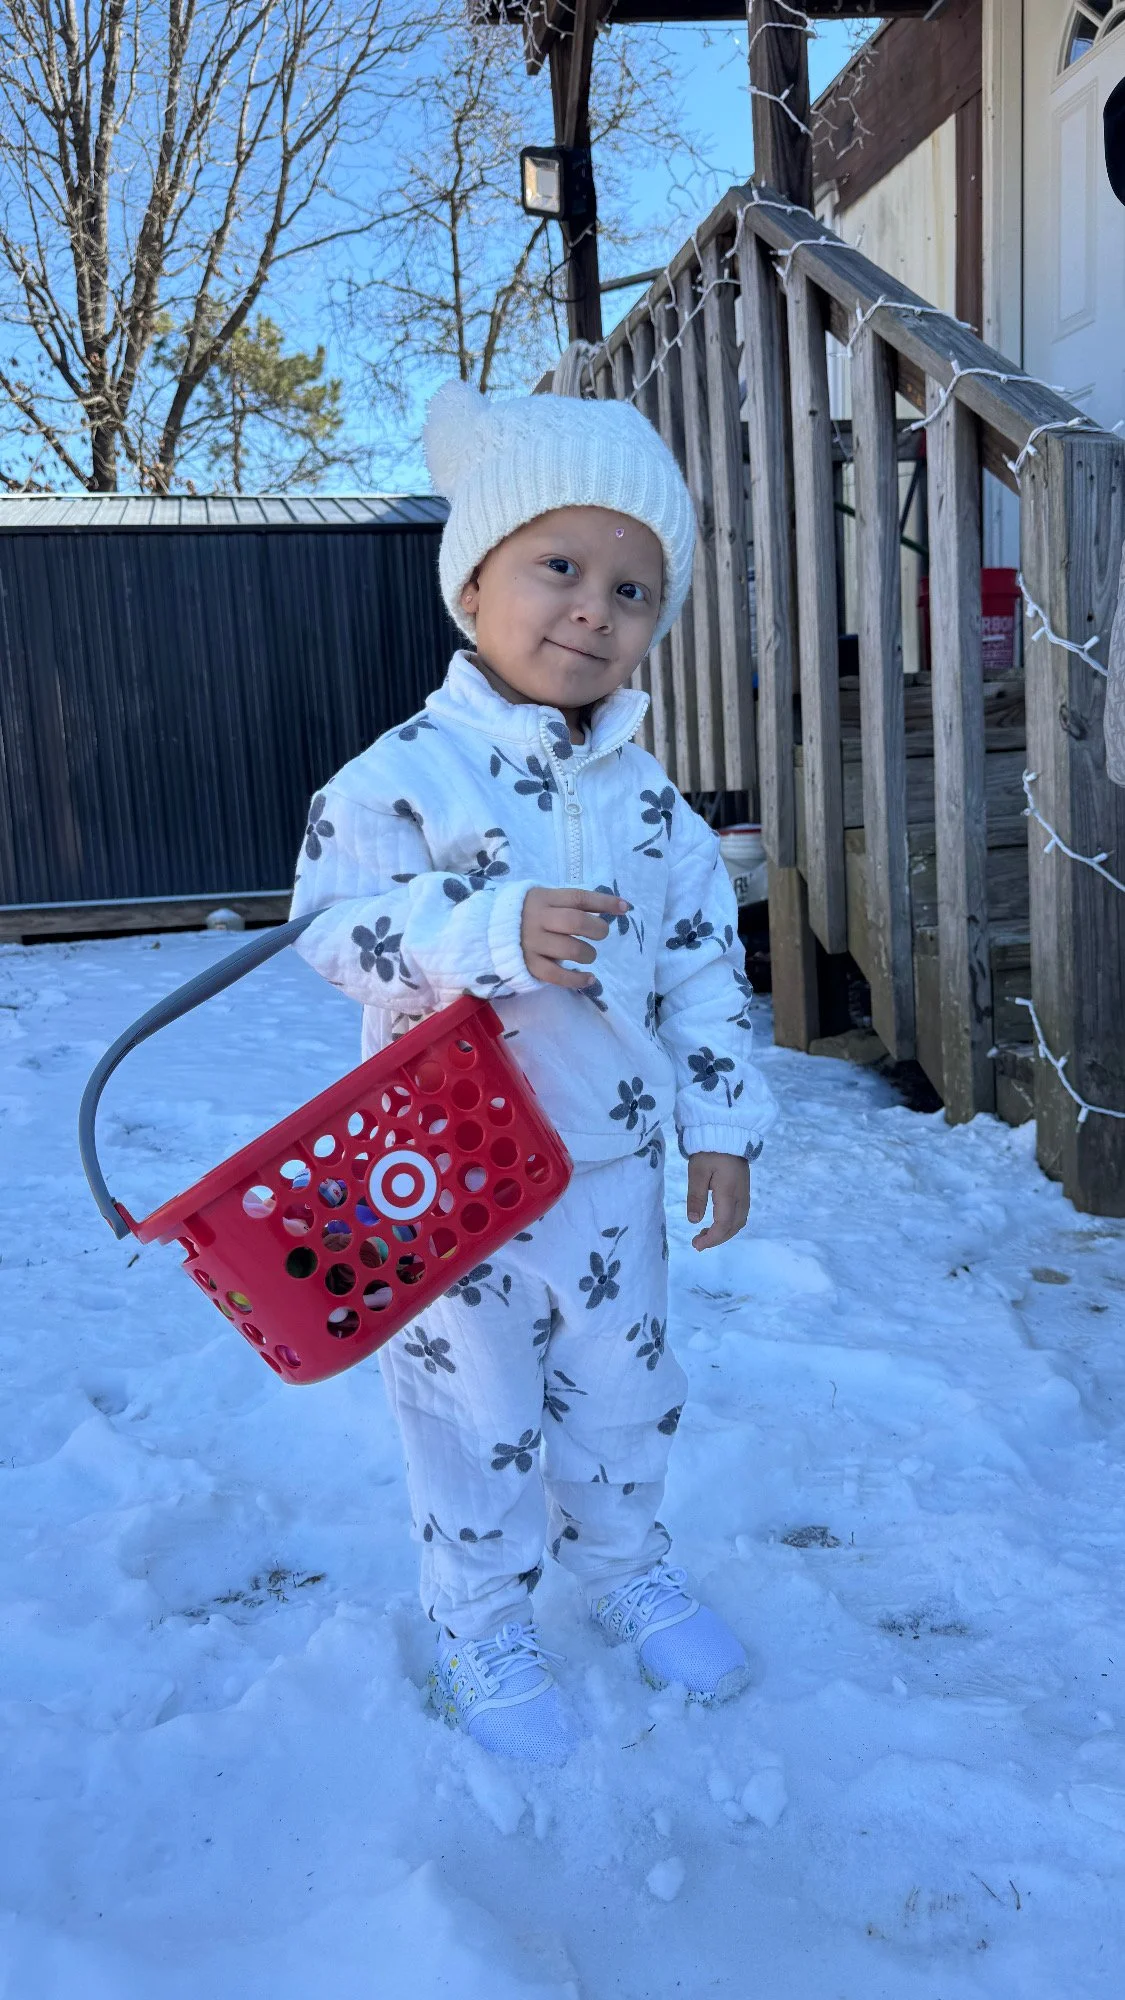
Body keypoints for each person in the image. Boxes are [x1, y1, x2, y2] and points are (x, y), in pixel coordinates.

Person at [290, 378, 778, 1765]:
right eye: (558, 566)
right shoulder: (402, 778)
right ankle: (480, 1620)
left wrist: (722, 1125)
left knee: (624, 1389)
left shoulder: (655, 808)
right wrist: (488, 928)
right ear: (473, 584)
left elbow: (704, 970)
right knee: (475, 1409)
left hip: (608, 1173)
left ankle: (623, 1567)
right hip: (441, 1176)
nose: (593, 610)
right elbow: (331, 929)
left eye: (632, 590)